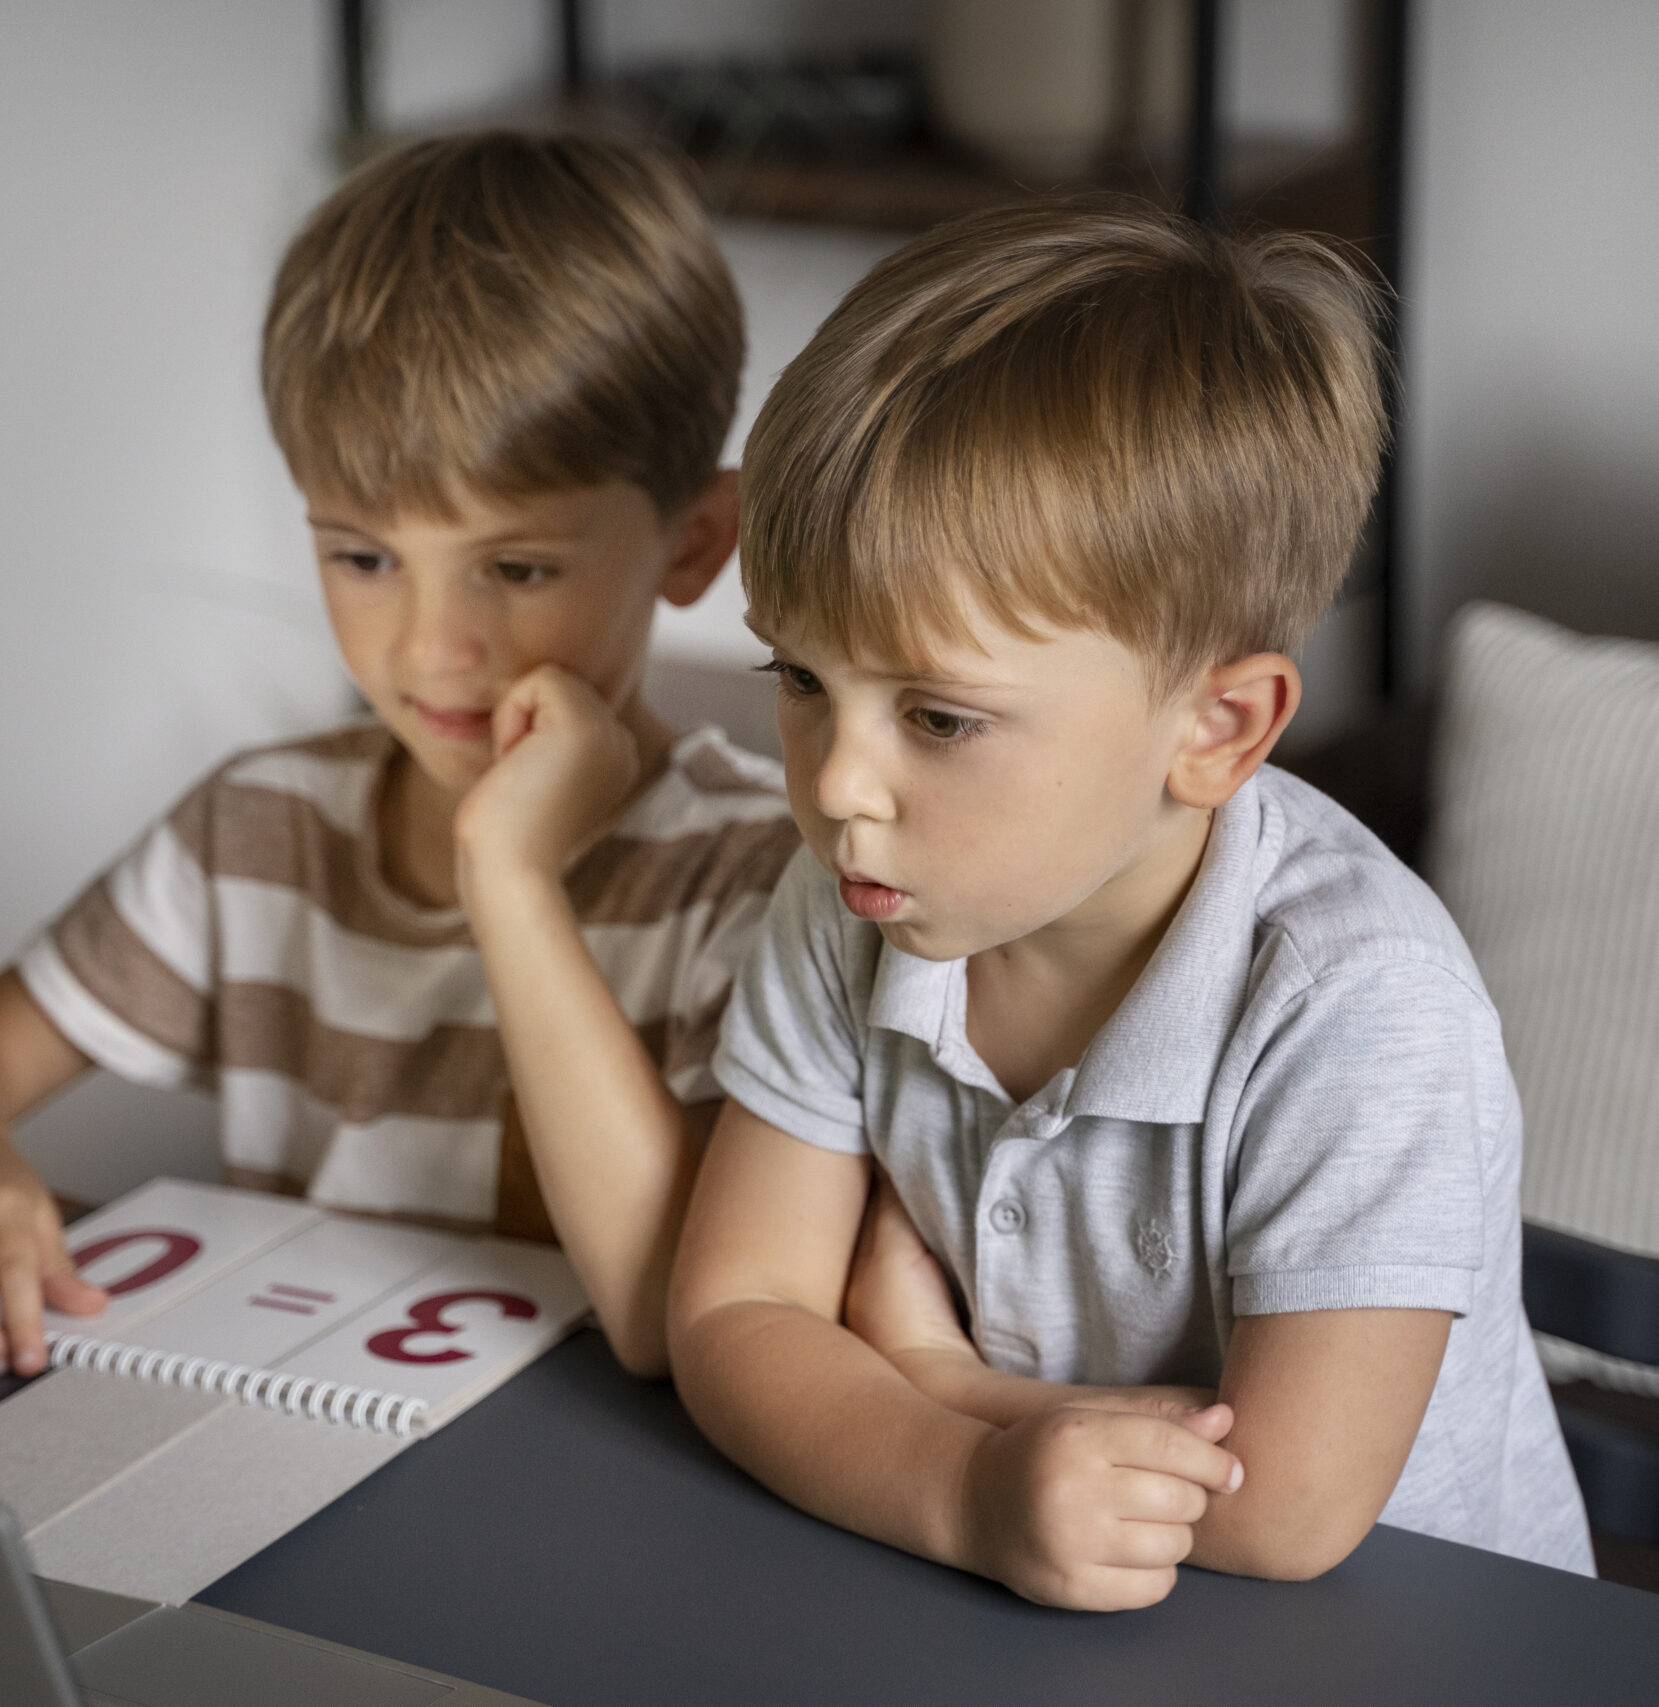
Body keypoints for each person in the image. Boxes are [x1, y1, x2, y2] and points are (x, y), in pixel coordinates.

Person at [666, 197, 1593, 1612]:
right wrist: (961, 1489)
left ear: (1216, 730)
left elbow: (1285, 1511)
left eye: (938, 715)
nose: (837, 783)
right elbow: (737, 1312)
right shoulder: (850, 897)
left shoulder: (1362, 1001)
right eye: (797, 677)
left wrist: (933, 1383)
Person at [0, 131, 798, 1385]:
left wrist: (509, 883)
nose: (432, 648)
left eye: (517, 568)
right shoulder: (262, 830)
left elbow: (672, 1310)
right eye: (363, 558)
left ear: (694, 543)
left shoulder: (755, 880)